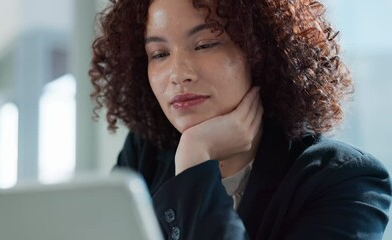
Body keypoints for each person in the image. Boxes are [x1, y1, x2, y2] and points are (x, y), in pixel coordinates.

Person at [89, 0, 392, 239]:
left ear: (260, 52)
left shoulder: (346, 182)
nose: (178, 74)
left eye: (205, 44)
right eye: (158, 54)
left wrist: (196, 161)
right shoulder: (145, 155)